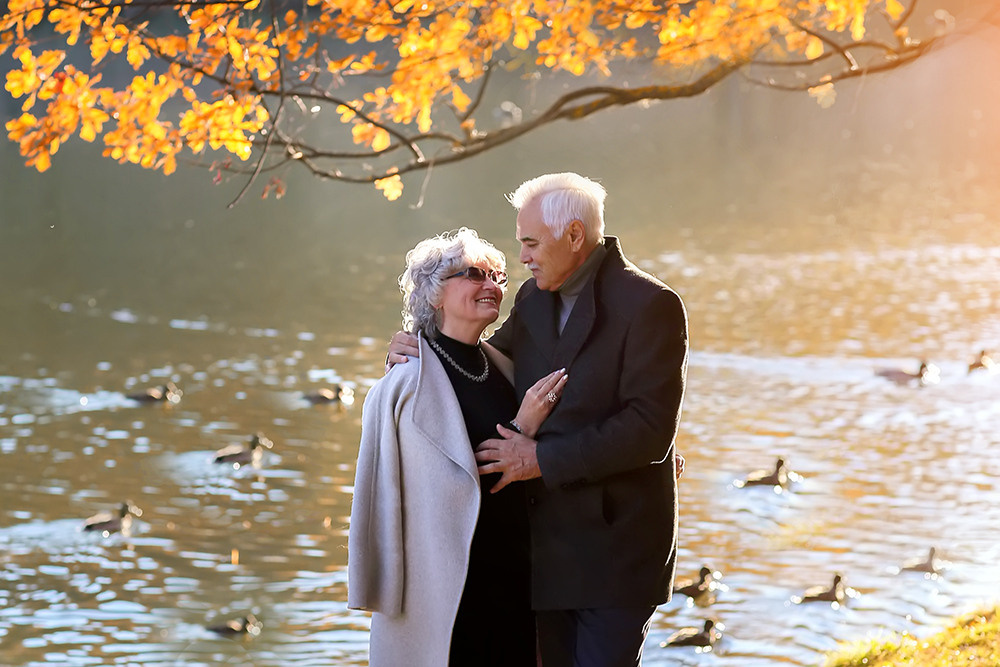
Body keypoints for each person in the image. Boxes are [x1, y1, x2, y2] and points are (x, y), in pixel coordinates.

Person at [387, 173, 688, 667]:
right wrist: (417, 349)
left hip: (616, 553)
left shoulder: (651, 305)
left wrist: (539, 459)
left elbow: (650, 430)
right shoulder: (533, 299)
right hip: (542, 552)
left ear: (574, 236)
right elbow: (479, 364)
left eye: (530, 243)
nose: (521, 257)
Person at [348, 228, 569, 667]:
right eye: (474, 275)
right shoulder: (407, 384)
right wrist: (522, 424)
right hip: (450, 591)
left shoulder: (507, 368)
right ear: (433, 294)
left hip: (518, 576)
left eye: (498, 276)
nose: (493, 286)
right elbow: (453, 490)